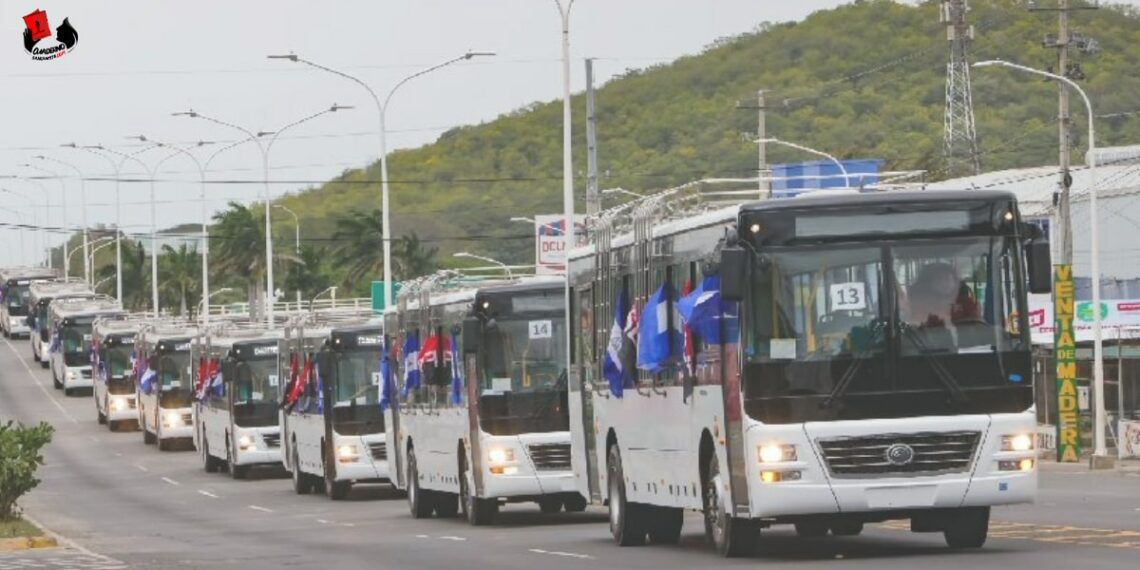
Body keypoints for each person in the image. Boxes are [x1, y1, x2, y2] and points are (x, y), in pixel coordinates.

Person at [906, 262, 980, 328]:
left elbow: (977, 325)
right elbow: (917, 325)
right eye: (940, 279)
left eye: (949, 279)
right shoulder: (923, 304)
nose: (945, 283)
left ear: (955, 283)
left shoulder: (966, 302)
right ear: (931, 284)